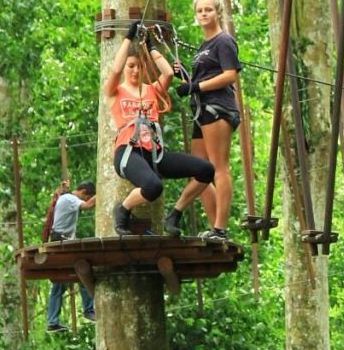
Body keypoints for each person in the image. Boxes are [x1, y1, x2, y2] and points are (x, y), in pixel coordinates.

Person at [105, 21, 216, 238]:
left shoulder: (151, 90)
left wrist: (152, 47)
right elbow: (116, 69)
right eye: (131, 66)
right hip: (128, 152)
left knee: (206, 170)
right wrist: (128, 38)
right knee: (153, 187)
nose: (135, 70)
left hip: (155, 154)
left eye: (139, 66)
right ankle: (123, 209)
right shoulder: (115, 91)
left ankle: (175, 214)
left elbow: (167, 74)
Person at [174, 0, 242, 242]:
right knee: (199, 171)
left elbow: (229, 75)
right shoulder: (204, 46)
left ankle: (220, 228)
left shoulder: (223, 41)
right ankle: (214, 227)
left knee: (217, 168)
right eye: (200, 11)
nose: (204, 14)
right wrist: (186, 78)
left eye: (208, 10)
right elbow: (203, 78)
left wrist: (196, 87)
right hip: (202, 109)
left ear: (218, 12)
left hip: (218, 108)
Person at [46, 181, 96, 332]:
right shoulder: (70, 199)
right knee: (82, 274)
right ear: (84, 192)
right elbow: (88, 206)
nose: (86, 200)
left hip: (62, 241)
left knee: (60, 282)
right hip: (61, 242)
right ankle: (88, 309)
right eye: (87, 197)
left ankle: (52, 321)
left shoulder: (66, 197)